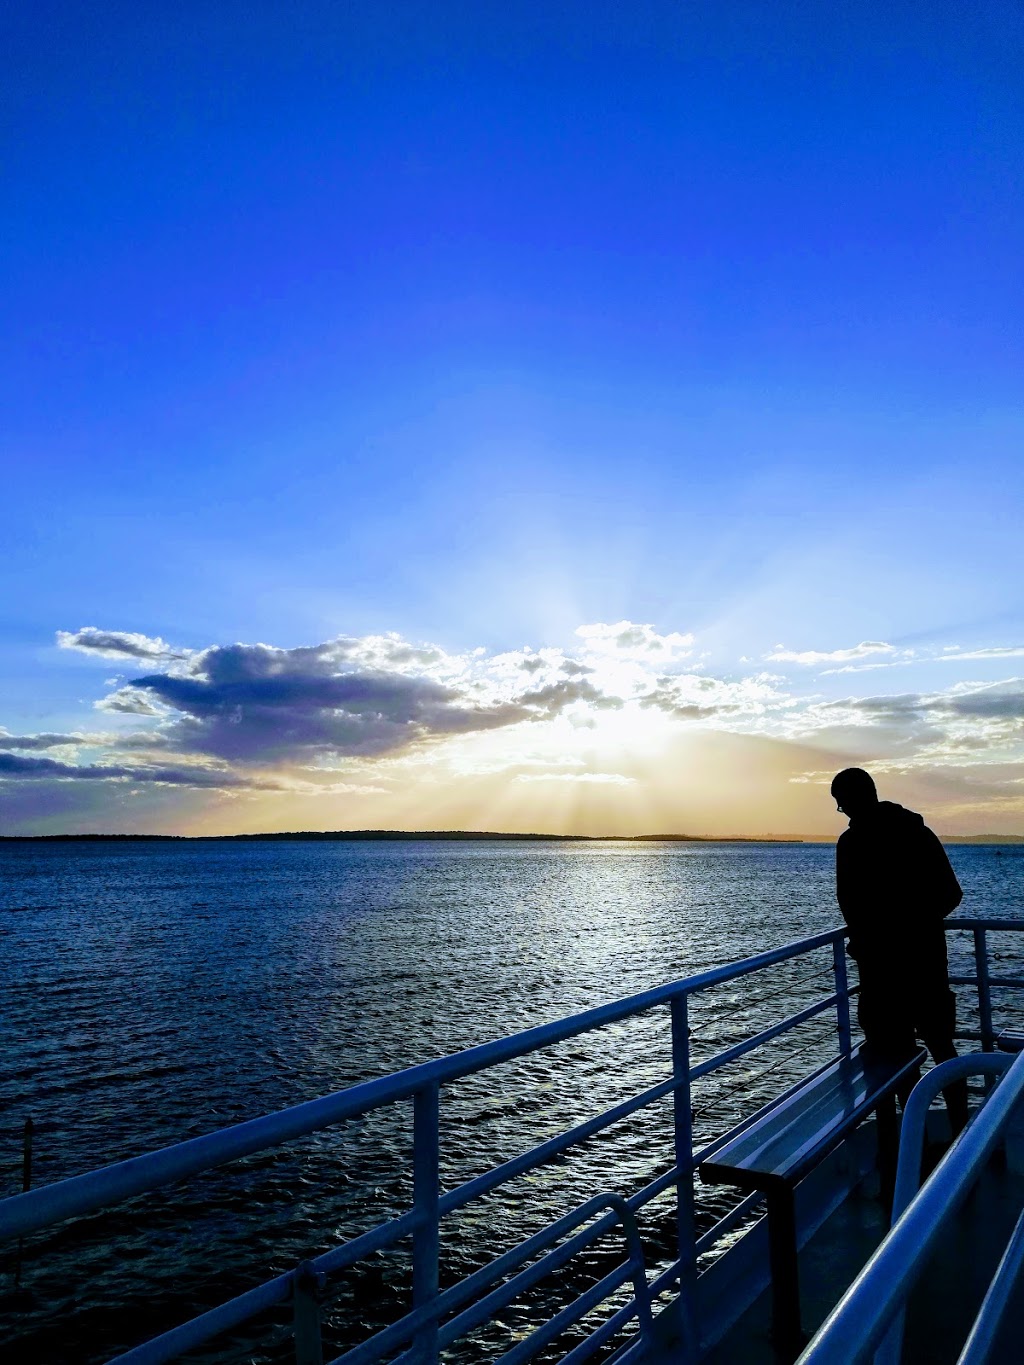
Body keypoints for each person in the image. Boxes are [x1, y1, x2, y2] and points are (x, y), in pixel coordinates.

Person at [831, 767, 969, 1135]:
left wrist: (884, 932)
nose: (841, 811)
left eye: (840, 804)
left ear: (850, 800)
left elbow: (850, 906)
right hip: (925, 964)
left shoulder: (852, 845)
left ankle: (907, 1149)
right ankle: (964, 1140)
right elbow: (951, 894)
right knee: (943, 1053)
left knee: (894, 1063)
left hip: (881, 974)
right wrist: (917, 924)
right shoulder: (918, 834)